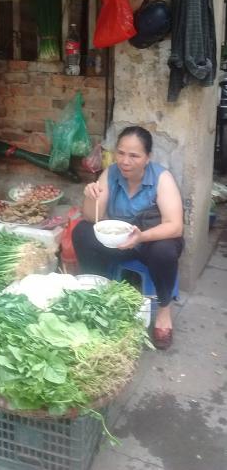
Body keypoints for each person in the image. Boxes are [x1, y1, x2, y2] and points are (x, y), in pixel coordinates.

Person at [72, 126, 183, 350]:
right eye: (121, 153)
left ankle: (163, 311)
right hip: (120, 241)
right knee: (82, 232)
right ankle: (99, 294)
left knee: (165, 250)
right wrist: (91, 196)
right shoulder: (110, 173)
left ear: (147, 158)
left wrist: (141, 237)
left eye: (134, 155)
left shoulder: (162, 178)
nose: (125, 161)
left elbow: (175, 226)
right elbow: (90, 217)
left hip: (150, 240)